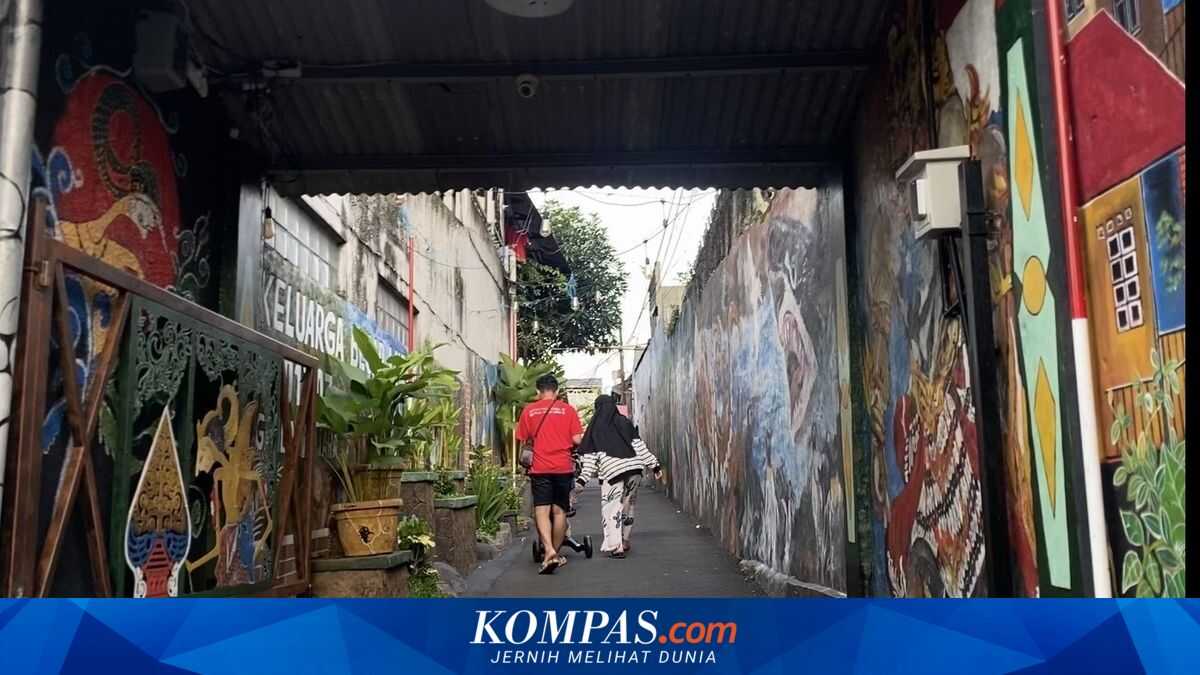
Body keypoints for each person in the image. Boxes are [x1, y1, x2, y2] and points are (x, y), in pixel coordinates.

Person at [575, 394, 663, 558]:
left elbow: (590, 459)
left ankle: (616, 547)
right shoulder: (624, 422)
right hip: (634, 470)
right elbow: (639, 447)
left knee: (612, 508)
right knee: (628, 505)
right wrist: (655, 466)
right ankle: (625, 540)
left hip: (612, 472)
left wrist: (582, 480)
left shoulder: (595, 428)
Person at [516, 374, 584, 574]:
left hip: (540, 468)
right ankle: (554, 553)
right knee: (560, 511)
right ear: (556, 391)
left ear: (538, 391)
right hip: (563, 467)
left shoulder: (529, 411)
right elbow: (577, 439)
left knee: (542, 510)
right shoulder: (568, 410)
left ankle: (549, 552)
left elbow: (522, 438)